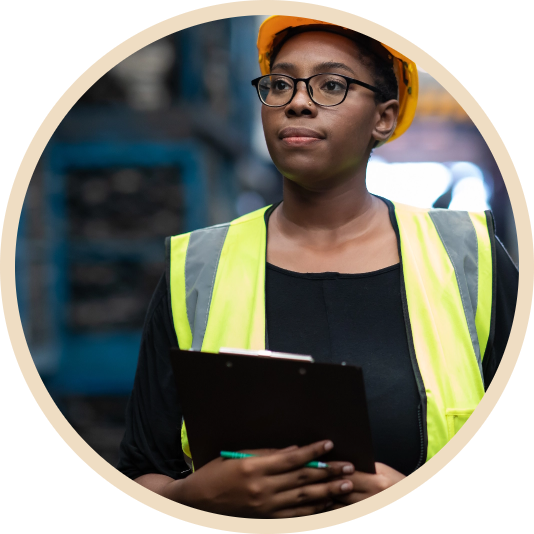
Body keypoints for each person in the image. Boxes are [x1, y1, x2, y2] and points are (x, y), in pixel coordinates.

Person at [117, 16, 518, 517]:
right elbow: (141, 470)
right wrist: (192, 496)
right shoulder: (197, 267)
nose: (297, 101)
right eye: (280, 84)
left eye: (331, 85)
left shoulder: (468, 256)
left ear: (384, 118)